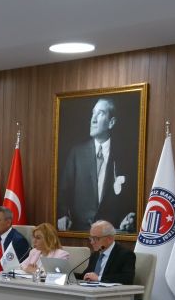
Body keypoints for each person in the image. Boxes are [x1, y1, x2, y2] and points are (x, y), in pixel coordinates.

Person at [57, 97, 137, 232]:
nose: (93, 119)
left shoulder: (125, 157)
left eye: (100, 113)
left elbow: (130, 200)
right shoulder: (77, 153)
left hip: (111, 234)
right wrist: (63, 215)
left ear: (111, 122)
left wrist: (128, 218)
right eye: (93, 113)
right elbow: (63, 194)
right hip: (79, 233)